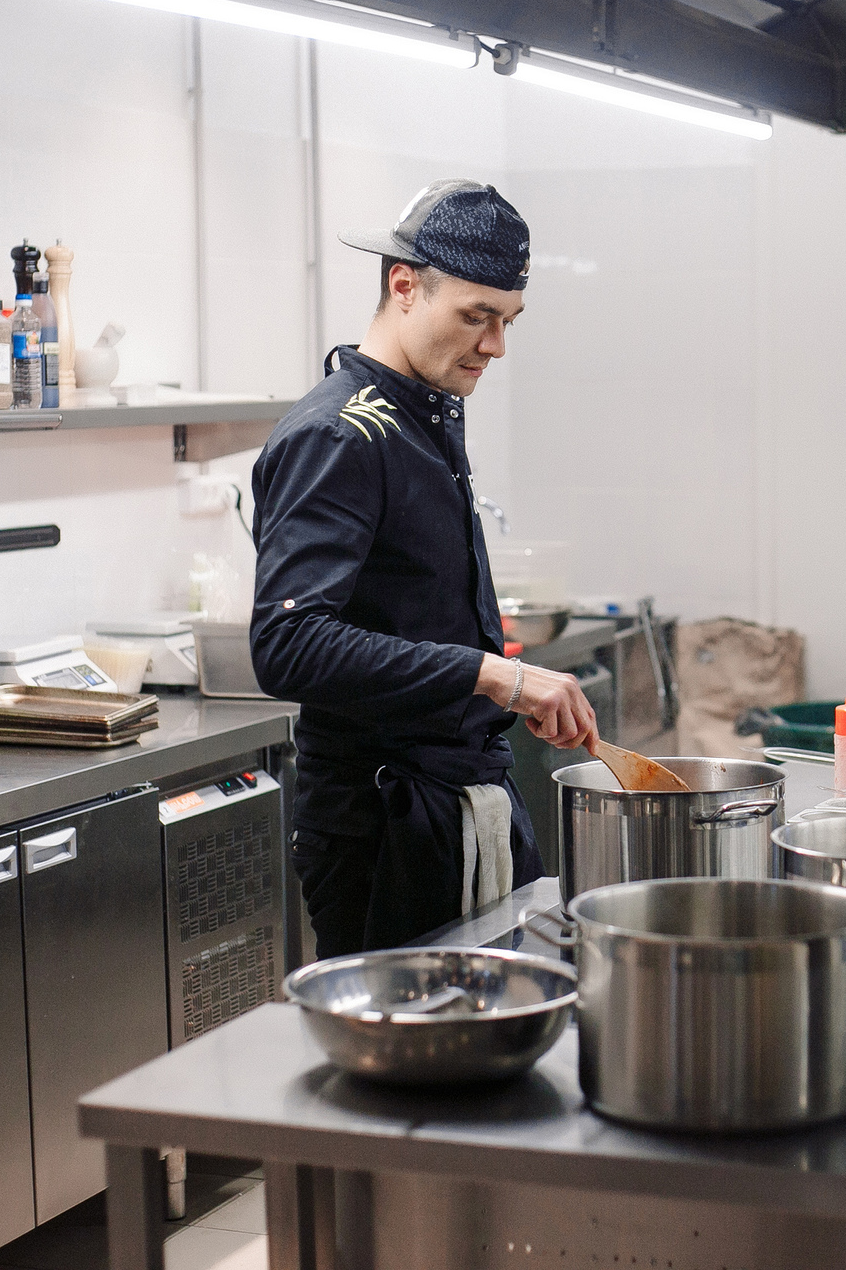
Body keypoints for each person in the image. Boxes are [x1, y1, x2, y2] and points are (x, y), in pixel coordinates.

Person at [250, 178, 598, 957]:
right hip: (384, 829)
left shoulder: (421, 413)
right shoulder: (338, 434)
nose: (495, 345)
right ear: (404, 286)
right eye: (476, 316)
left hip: (456, 798)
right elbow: (287, 645)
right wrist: (495, 676)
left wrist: (490, 685)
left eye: (508, 321)